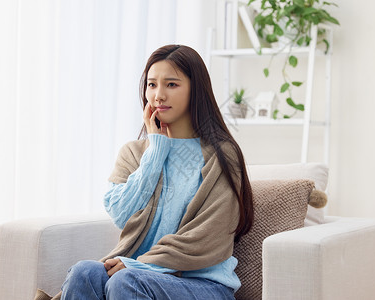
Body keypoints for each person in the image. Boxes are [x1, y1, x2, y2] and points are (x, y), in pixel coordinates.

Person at [58, 44, 253, 300]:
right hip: (136, 276)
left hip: (204, 285)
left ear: (196, 90)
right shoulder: (135, 153)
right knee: (84, 272)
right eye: (152, 85)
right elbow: (121, 213)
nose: (158, 95)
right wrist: (156, 151)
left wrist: (140, 265)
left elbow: (209, 235)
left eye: (171, 84)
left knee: (126, 281)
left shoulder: (222, 155)